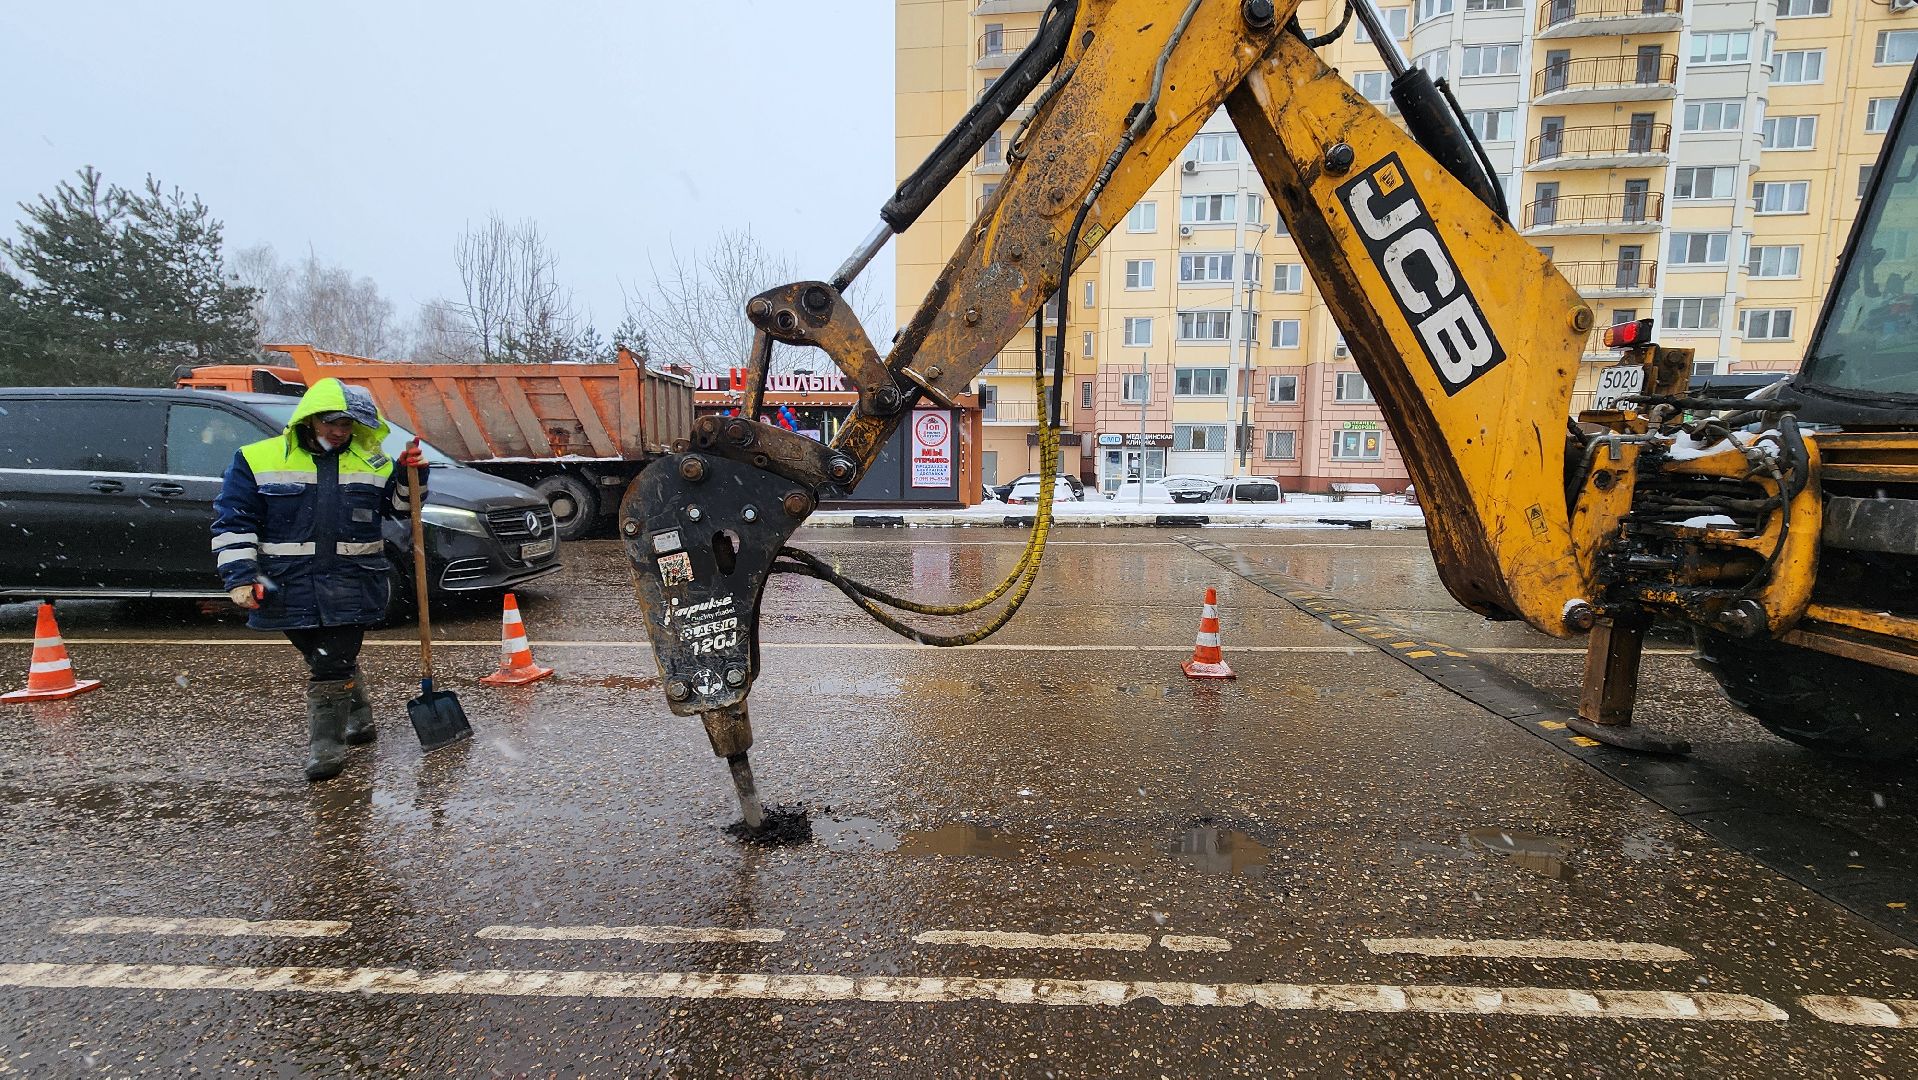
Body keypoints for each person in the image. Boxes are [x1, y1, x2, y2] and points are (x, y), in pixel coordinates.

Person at [211, 378, 429, 782]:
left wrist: (409, 475)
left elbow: (399, 509)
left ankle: (326, 749)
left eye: (347, 425)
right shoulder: (257, 459)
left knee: (332, 662)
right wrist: (239, 575)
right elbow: (235, 521)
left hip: (353, 579)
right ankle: (359, 719)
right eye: (331, 422)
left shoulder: (373, 462)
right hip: (286, 582)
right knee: (321, 655)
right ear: (309, 419)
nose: (339, 432)